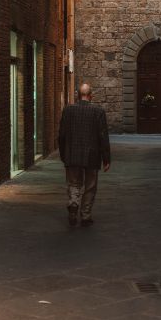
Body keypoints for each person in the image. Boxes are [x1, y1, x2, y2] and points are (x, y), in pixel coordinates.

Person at [58, 83, 111, 227]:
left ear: (77, 95)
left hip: (72, 155)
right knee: (90, 186)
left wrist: (63, 154)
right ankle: (86, 215)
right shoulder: (98, 111)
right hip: (92, 155)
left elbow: (61, 135)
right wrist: (106, 159)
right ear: (91, 96)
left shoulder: (68, 110)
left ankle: (74, 202)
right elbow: (103, 137)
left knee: (74, 183)